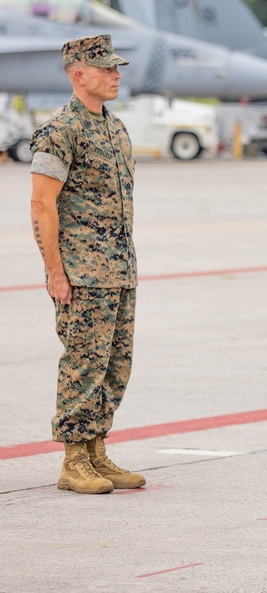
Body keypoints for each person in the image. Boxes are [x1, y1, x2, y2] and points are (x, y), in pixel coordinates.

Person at [29, 34, 145, 494]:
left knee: (115, 365)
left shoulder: (115, 128)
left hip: (119, 270)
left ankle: (97, 451)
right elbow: (41, 205)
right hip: (82, 274)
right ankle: (73, 460)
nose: (117, 75)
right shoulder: (61, 130)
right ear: (80, 75)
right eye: (107, 69)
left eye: (117, 68)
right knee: (82, 363)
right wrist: (55, 272)